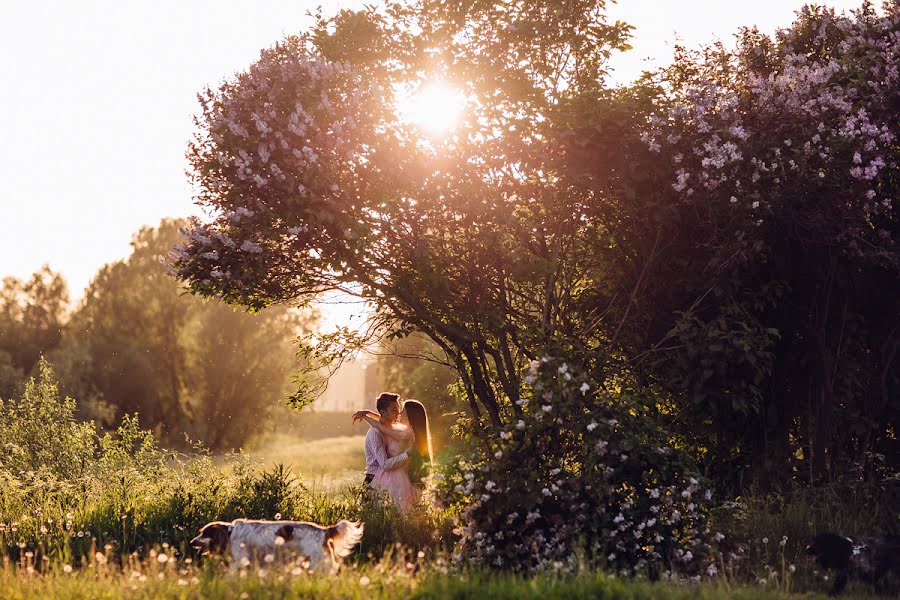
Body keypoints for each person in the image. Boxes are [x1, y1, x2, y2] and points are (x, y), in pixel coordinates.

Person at [354, 397, 432, 513]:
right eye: (395, 410)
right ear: (383, 412)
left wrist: (365, 416)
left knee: (396, 512)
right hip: (382, 477)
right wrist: (368, 413)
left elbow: (381, 426)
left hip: (395, 477)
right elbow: (383, 424)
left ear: (411, 417)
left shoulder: (405, 433)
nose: (399, 414)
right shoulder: (397, 430)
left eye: (401, 411)